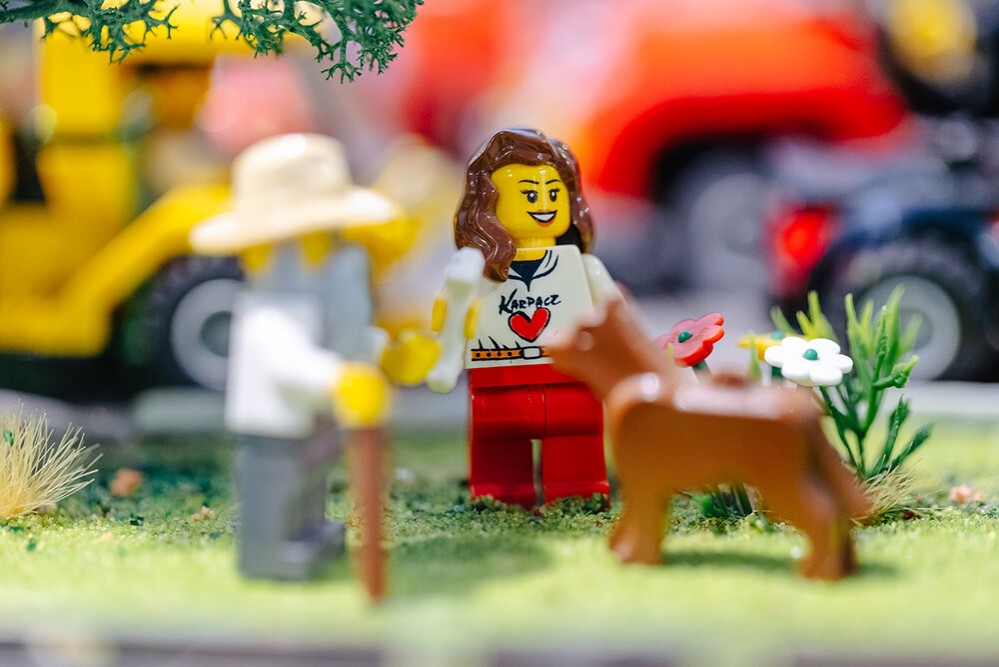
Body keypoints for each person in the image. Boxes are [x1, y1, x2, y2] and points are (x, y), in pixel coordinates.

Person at [190, 133, 436, 596]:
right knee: (278, 489)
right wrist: (340, 379)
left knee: (313, 481)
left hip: (316, 421)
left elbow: (343, 341)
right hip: (275, 431)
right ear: (266, 248)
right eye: (320, 240)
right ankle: (269, 549)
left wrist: (387, 356)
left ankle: (309, 531)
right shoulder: (267, 313)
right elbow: (291, 363)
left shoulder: (327, 294)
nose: (339, 254)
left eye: (333, 236)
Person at [430, 127, 620, 508]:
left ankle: (578, 491)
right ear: (489, 203)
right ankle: (501, 495)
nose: (544, 204)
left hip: (572, 376)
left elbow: (617, 315)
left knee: (577, 436)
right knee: (498, 442)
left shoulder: (583, 267)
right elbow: (452, 310)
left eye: (554, 193)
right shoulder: (476, 271)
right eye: (530, 195)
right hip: (497, 379)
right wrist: (447, 357)